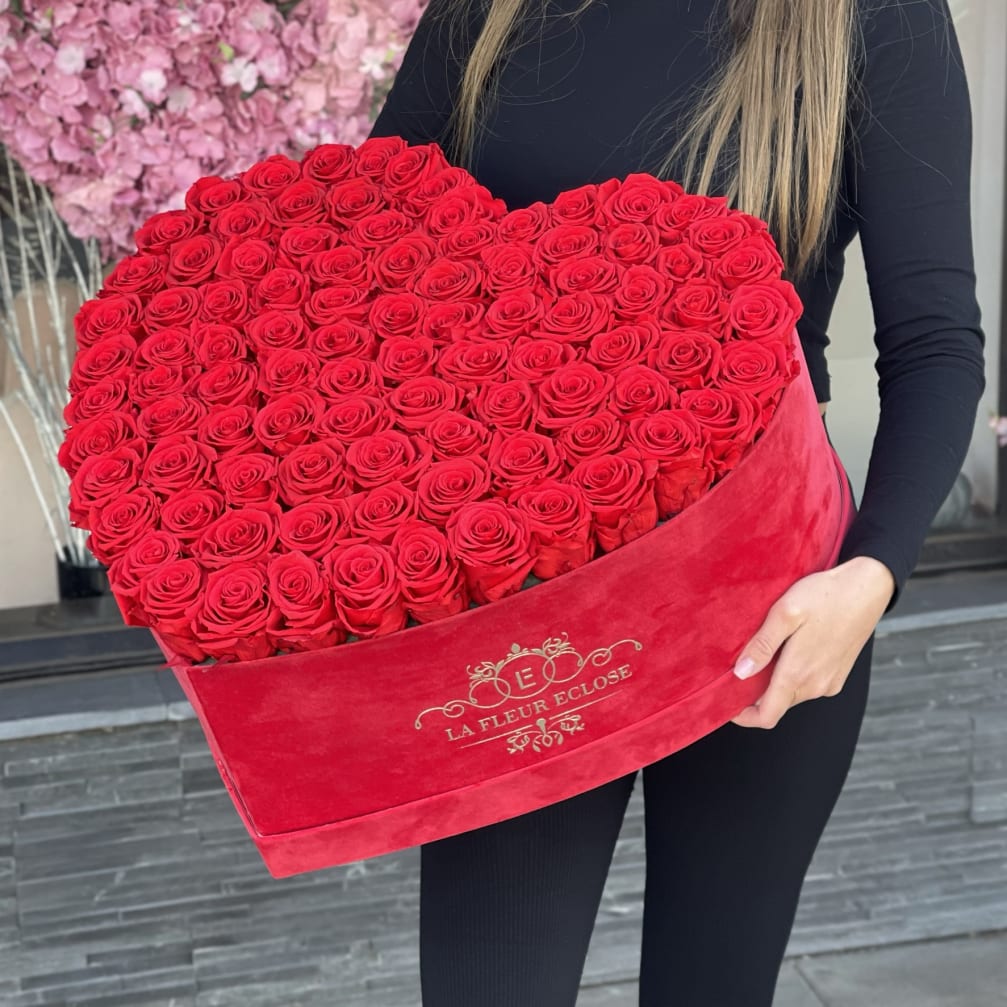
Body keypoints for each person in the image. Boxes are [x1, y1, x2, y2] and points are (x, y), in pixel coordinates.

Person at [367, 0, 987, 1003]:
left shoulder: (870, 17)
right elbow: (362, 246)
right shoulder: (492, 9)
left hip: (761, 605)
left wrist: (868, 577)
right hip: (520, 610)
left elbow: (933, 343)